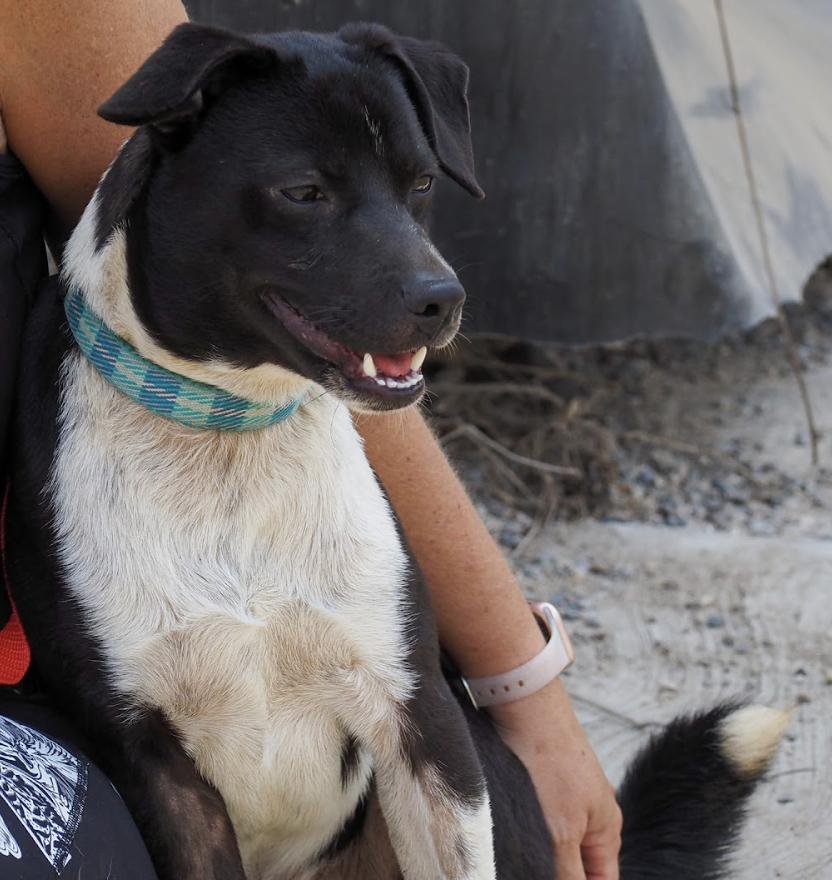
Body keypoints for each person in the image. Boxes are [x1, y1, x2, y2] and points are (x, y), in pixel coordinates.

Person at [0, 2, 622, 878]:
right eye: (305, 196)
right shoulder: (65, 479)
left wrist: (529, 687)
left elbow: (416, 721)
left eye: (415, 191)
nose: (430, 275)